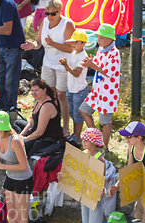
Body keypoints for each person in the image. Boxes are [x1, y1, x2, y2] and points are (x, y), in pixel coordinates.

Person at [21, 0, 75, 135]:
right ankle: (49, 123)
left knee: (61, 95)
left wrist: (53, 43)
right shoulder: (44, 22)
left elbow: (71, 48)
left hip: (63, 65)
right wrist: (31, 45)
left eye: (53, 14)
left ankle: (66, 127)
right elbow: (38, 42)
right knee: (48, 94)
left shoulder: (67, 24)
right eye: (47, 13)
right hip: (48, 63)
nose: (49, 16)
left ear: (60, 12)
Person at [59, 128, 106, 223]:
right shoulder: (82, 154)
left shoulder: (100, 159)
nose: (83, 142)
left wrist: (101, 191)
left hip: (94, 196)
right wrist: (64, 176)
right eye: (83, 139)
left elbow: (101, 180)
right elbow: (75, 173)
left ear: (94, 142)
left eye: (87, 140)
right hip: (83, 194)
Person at [79, 23, 121, 151]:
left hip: (108, 94)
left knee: (106, 122)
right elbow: (96, 63)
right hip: (98, 91)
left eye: (101, 38)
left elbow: (108, 72)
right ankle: (97, 138)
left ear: (110, 39)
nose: (98, 40)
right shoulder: (101, 49)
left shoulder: (115, 52)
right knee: (83, 110)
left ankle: (104, 147)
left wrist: (92, 65)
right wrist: (89, 63)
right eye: (98, 37)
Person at [19, 78, 64, 157]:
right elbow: (31, 123)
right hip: (36, 132)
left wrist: (23, 140)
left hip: (46, 138)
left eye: (36, 90)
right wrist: (21, 135)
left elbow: (40, 132)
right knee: (17, 123)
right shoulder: (38, 101)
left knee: (19, 147)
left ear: (44, 90)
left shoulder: (47, 106)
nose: (33, 93)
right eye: (32, 90)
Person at [59, 29, 88, 139]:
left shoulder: (83, 56)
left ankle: (77, 136)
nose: (73, 44)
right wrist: (65, 63)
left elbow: (76, 73)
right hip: (71, 88)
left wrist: (66, 65)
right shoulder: (73, 53)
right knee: (72, 112)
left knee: (77, 115)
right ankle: (75, 135)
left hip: (79, 90)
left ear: (83, 43)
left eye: (76, 42)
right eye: (73, 41)